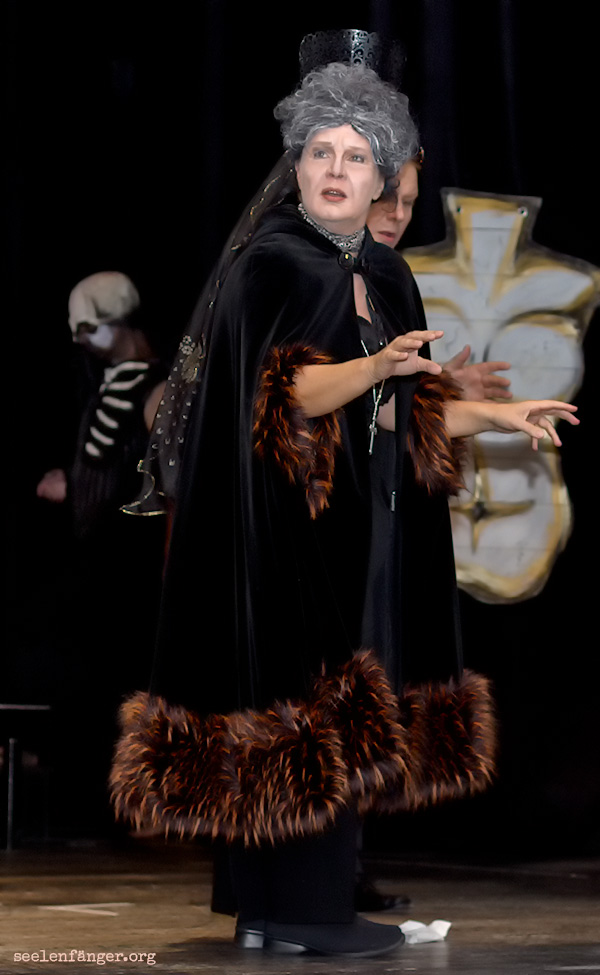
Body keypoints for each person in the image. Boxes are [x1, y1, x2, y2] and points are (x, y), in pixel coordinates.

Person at [110, 63, 577, 957]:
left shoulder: (381, 272)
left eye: (356, 157)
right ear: (296, 167)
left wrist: (501, 414)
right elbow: (286, 392)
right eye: (320, 152)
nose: (335, 169)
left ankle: (273, 914)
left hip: (352, 525)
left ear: (381, 177)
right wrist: (375, 367)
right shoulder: (275, 262)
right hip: (285, 529)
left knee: (344, 701)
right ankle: (304, 915)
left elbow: (401, 408)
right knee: (299, 702)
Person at [367, 157, 514, 402]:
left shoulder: (393, 280)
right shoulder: (317, 276)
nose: (399, 214)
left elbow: (382, 408)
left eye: (409, 202)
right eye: (384, 198)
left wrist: (435, 389)